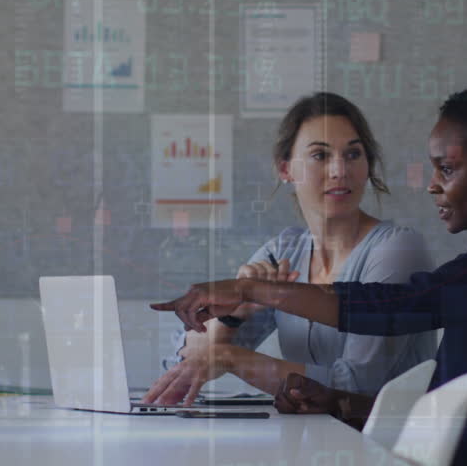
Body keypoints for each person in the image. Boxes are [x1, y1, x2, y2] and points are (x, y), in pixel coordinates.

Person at [151, 84, 467, 466]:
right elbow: (438, 404)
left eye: (447, 169)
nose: (433, 184)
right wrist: (337, 403)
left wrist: (253, 292)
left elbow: (398, 306)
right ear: (286, 169)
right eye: (320, 156)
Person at [142, 92, 436, 407]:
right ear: (285, 170)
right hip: (314, 433)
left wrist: (231, 357)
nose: (339, 170)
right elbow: (186, 362)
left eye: (353, 154)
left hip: (387, 436)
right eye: (320, 155)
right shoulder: (284, 251)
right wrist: (235, 315)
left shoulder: (398, 249)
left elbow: (358, 387)